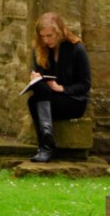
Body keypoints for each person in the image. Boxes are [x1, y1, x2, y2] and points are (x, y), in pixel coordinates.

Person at [25, 11, 90, 162]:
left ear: (59, 32)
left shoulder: (76, 49)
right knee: (34, 98)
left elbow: (85, 85)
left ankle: (45, 147)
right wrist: (35, 78)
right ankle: (47, 141)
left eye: (49, 36)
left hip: (72, 101)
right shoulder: (41, 49)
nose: (46, 40)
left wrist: (62, 88)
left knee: (35, 101)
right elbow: (40, 80)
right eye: (43, 36)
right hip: (50, 98)